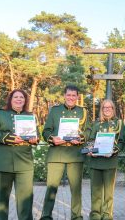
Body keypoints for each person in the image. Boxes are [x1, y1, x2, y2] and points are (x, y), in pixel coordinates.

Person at [0, 89, 39, 220]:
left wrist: (35, 139)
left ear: (25, 100)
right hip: (1, 163)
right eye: (16, 97)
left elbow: (36, 135)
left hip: (24, 163)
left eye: (22, 97)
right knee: (1, 202)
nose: (19, 99)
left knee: (26, 201)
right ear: (10, 99)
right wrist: (8, 137)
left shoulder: (30, 116)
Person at [41, 85, 88, 220]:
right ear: (64, 96)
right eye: (68, 95)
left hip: (75, 154)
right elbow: (46, 131)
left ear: (77, 97)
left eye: (74, 95)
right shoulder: (55, 111)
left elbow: (88, 130)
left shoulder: (83, 111)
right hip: (57, 154)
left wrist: (81, 138)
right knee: (51, 188)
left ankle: (76, 216)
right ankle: (46, 216)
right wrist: (52, 139)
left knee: (76, 189)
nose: (71, 98)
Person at [86, 99, 124, 220]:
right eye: (104, 108)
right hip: (96, 161)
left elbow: (122, 142)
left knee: (108, 193)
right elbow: (91, 140)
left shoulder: (118, 123)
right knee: (96, 192)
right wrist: (90, 149)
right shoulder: (96, 124)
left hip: (110, 161)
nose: (107, 109)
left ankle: (107, 215)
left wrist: (114, 150)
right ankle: (96, 215)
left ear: (113, 109)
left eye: (110, 107)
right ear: (101, 110)